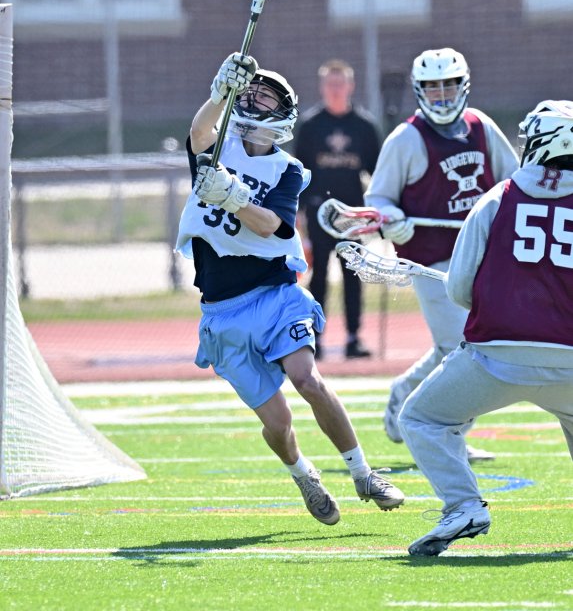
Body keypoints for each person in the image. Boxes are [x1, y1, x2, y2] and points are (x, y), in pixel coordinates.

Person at [176, 52, 404, 525]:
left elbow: (276, 229)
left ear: (282, 114)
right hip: (223, 311)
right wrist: (219, 93)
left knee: (308, 379)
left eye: (266, 96)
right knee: (277, 423)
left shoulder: (288, 170)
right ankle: (304, 475)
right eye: (250, 92)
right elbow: (200, 134)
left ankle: (363, 473)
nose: (255, 98)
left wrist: (234, 197)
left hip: (275, 293)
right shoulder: (217, 147)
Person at [399, 99, 573, 556]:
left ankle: (463, 505)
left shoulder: (497, 198)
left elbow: (458, 290)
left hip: (496, 357)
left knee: (421, 419)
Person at [364, 47, 519, 462]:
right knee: (461, 347)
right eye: (433, 87)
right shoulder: (407, 138)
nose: (443, 95)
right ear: (420, 91)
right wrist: (392, 219)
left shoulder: (481, 127)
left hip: (481, 257)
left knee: (461, 346)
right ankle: (445, 433)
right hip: (430, 259)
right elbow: (379, 197)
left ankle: (404, 395)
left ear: (463, 85)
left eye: (449, 85)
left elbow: (512, 179)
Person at [294, 59, 381, 359]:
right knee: (317, 278)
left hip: (351, 215)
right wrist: (298, 216)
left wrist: (381, 209)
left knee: (352, 275)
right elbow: (298, 175)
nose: (335, 90)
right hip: (318, 212)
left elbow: (378, 172)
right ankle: (315, 336)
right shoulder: (310, 126)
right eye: (330, 84)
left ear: (350, 86)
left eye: (340, 83)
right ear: (322, 87)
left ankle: (354, 337)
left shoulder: (365, 127)